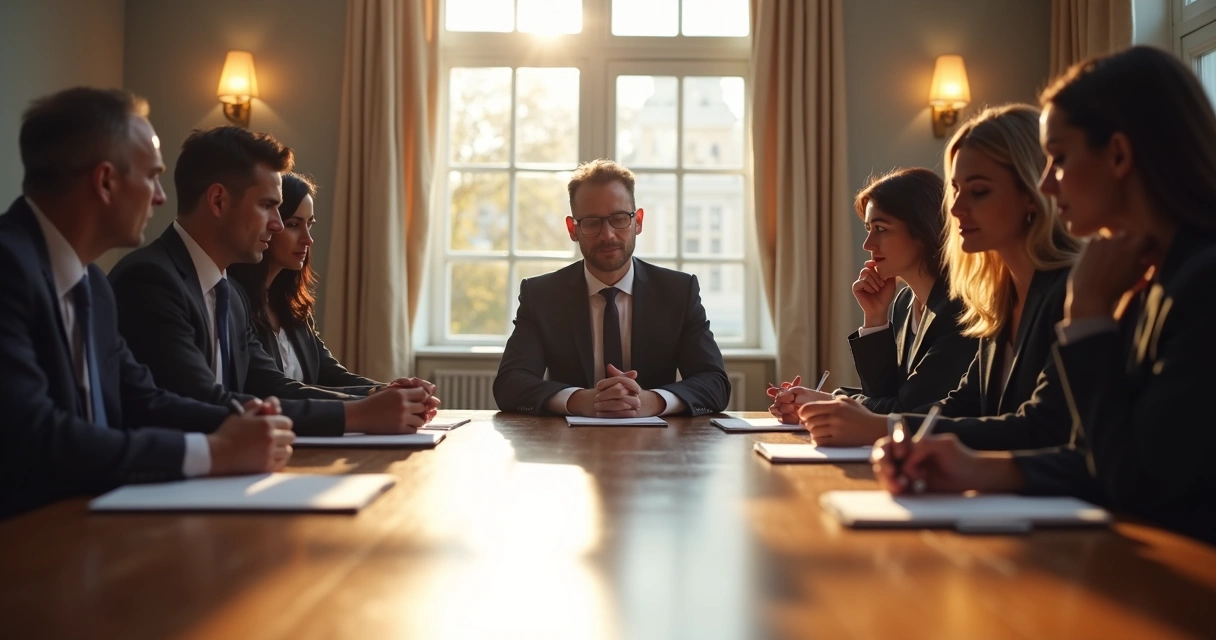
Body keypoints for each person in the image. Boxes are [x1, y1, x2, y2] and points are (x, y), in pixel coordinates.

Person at [873, 46, 1216, 546]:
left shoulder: (1199, 283)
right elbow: (1099, 451)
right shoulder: (1147, 277)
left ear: (1119, 155)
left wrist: (1089, 319)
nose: (1048, 183)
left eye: (1059, 159)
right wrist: (971, 468)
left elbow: (1138, 483)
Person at [0, 88, 295, 518]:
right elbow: (37, 436)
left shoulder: (94, 287)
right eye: (152, 176)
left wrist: (240, 417)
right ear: (105, 182)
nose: (160, 196)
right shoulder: (8, 269)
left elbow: (145, 399)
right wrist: (213, 452)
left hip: (91, 525)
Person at [109, 126, 437, 437]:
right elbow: (202, 401)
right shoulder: (150, 280)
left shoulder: (231, 295)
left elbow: (270, 385)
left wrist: (376, 399)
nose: (278, 225)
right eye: (267, 206)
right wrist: (360, 413)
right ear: (218, 200)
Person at [798, 105, 1080, 450]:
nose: (956, 209)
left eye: (978, 191)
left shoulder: (1071, 292)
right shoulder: (999, 298)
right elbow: (957, 410)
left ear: (1033, 194)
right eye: (956, 190)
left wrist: (879, 427)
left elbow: (1044, 430)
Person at [493, 159, 730, 417]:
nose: (607, 235)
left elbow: (715, 383)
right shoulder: (542, 296)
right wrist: (578, 400)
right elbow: (509, 384)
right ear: (573, 229)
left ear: (637, 221)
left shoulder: (678, 292)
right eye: (592, 222)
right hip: (567, 447)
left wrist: (653, 402)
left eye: (619, 219)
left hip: (659, 449)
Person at [769, 168, 977, 422]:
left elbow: (909, 411)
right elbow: (882, 396)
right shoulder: (903, 303)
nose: (868, 244)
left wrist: (829, 403)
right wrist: (875, 316)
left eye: (880, 228)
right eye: (869, 228)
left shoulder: (962, 309)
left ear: (923, 230)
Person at [228, 172, 402, 393]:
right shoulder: (235, 301)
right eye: (293, 224)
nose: (307, 239)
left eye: (309, 224)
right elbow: (275, 389)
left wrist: (389, 390)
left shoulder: (290, 304)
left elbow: (329, 373)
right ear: (268, 226)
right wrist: (372, 400)